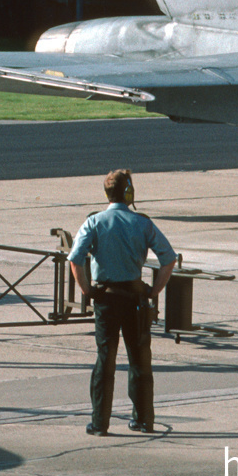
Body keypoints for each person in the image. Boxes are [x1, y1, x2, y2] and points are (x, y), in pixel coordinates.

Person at [67, 169, 176, 436]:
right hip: (136, 298)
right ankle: (143, 420)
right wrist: (154, 291)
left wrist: (86, 290)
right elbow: (168, 259)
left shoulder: (94, 222)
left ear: (107, 194)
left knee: (105, 360)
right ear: (129, 194)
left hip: (106, 298)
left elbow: (75, 259)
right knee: (139, 359)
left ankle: (100, 422)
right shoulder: (142, 223)